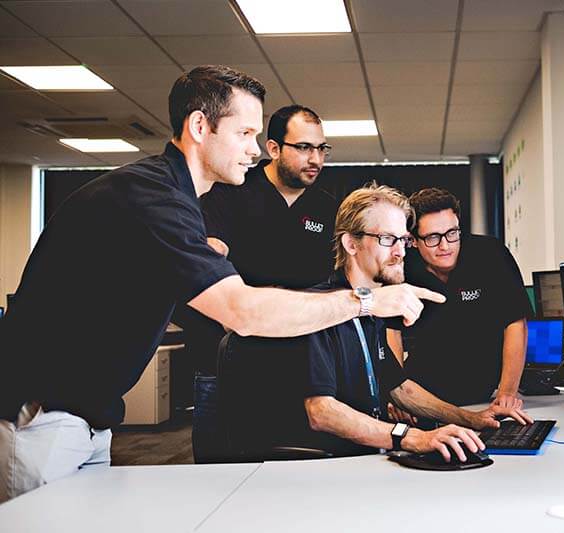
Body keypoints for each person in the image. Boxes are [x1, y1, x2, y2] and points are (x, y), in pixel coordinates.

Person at [0, 65, 443, 503]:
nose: (255, 150)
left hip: (89, 417)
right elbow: (242, 311)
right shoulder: (153, 198)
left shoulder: (178, 200)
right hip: (42, 416)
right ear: (199, 126)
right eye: (245, 134)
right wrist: (368, 301)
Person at [293, 184, 531, 460]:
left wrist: (472, 419)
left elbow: (400, 388)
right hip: (329, 466)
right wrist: (411, 438)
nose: (401, 252)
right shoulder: (323, 309)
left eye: (402, 240)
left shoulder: (372, 310)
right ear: (351, 244)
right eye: (387, 239)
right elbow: (321, 412)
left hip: (371, 456)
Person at [180, 105, 336, 376]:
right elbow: (209, 258)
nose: (316, 159)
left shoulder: (327, 207)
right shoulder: (230, 192)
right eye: (304, 148)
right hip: (228, 358)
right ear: (274, 149)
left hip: (302, 360)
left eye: (321, 149)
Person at [387, 187, 534, 409]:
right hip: (422, 393)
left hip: (482, 392)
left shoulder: (490, 254)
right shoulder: (403, 267)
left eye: (452, 233)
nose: (445, 246)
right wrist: (398, 395)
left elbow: (515, 322)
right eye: (433, 238)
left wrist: (507, 392)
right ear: (413, 240)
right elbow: (392, 332)